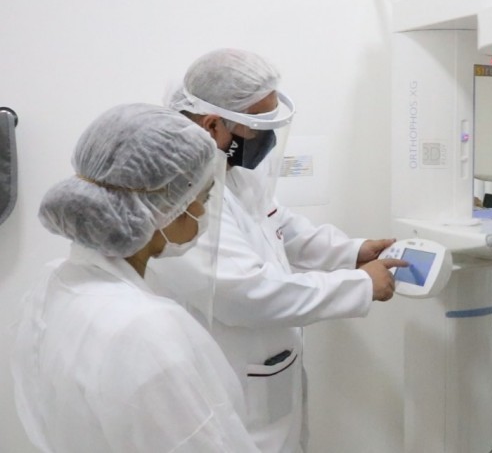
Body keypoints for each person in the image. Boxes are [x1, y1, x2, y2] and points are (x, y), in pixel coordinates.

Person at [150, 48, 406, 453]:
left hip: (265, 373)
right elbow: (247, 293)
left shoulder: (232, 172)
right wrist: (359, 285)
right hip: (229, 376)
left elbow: (279, 225)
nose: (266, 139)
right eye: (258, 126)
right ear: (213, 125)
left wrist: (352, 251)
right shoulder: (182, 196)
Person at [11, 104, 260, 452]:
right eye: (202, 197)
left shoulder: (53, 284)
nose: (203, 211)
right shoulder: (145, 330)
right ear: (166, 207)